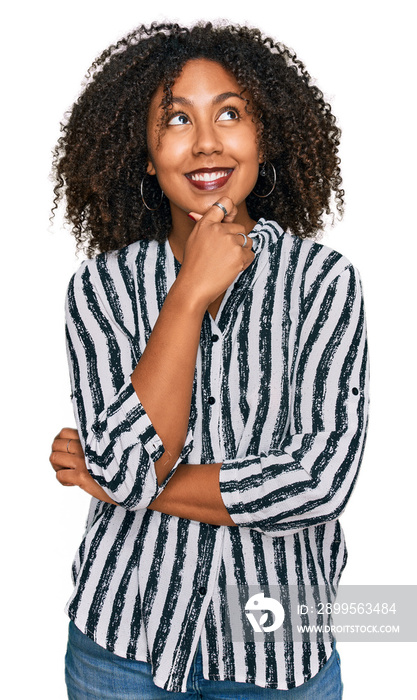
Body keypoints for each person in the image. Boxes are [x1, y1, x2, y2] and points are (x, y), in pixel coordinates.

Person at [49, 21, 369, 699]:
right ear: (145, 152)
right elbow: (126, 466)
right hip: (120, 652)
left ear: (263, 136)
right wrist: (188, 295)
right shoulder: (101, 290)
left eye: (229, 113)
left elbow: (316, 482)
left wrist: (118, 480)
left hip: (277, 658)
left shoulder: (323, 282)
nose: (205, 142)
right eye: (174, 119)